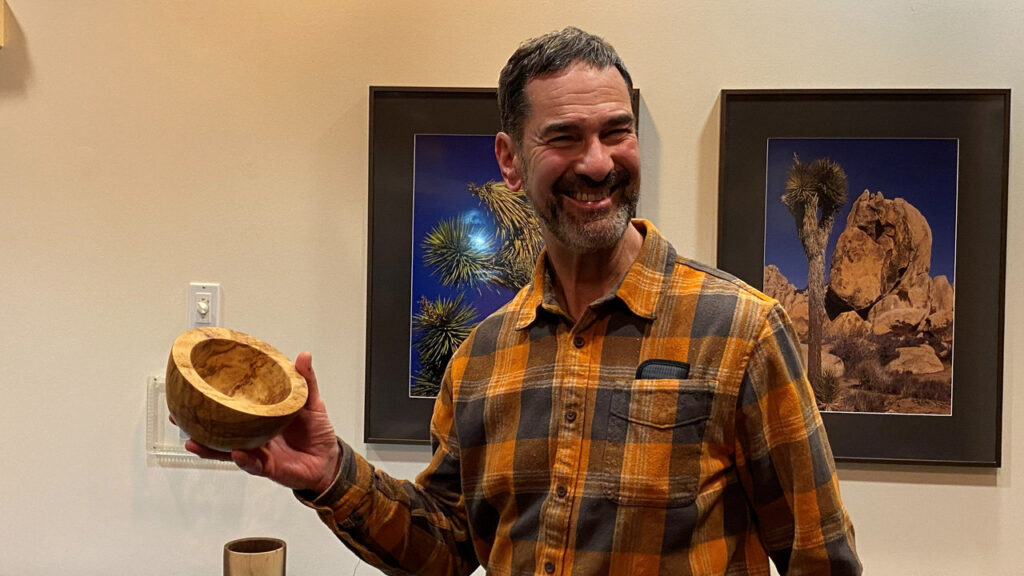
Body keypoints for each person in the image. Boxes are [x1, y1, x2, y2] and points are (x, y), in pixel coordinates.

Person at [188, 27, 862, 576]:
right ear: (510, 160)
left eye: (616, 132)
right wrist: (329, 473)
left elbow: (821, 561)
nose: (597, 162)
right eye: (564, 137)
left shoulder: (742, 331)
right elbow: (446, 547)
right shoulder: (480, 359)